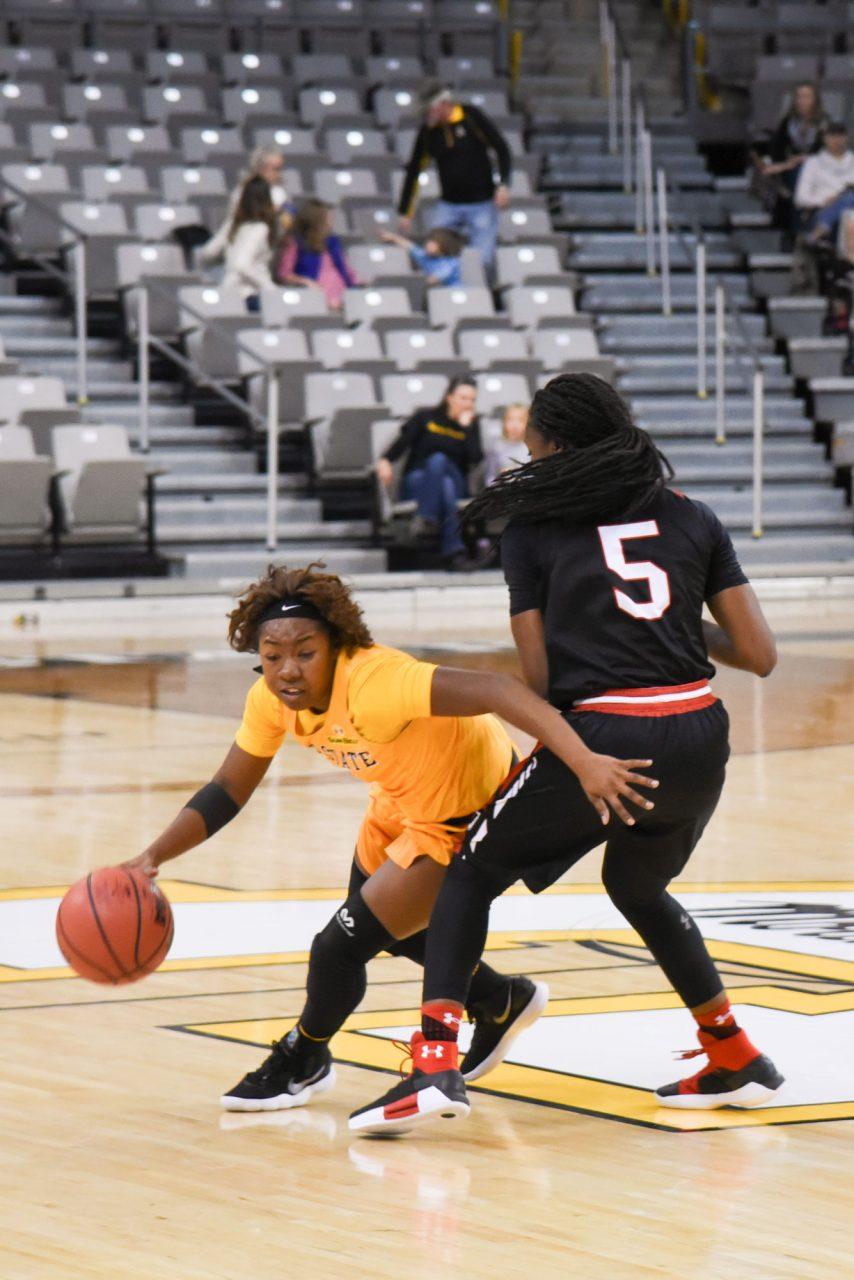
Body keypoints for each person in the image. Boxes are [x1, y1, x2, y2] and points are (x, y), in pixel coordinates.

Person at [351, 373, 784, 1136]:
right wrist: (669, 626)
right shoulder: (694, 517)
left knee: (471, 867)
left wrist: (610, 636)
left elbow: (544, 682)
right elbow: (758, 653)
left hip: (612, 735)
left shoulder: (532, 530)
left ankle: (434, 1063)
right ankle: (733, 1049)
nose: (527, 458)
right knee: (639, 885)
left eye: (531, 447)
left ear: (553, 446)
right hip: (698, 733)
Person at [123, 561, 654, 1112]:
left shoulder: (378, 683)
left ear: (335, 646)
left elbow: (499, 690)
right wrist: (151, 857)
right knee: (386, 928)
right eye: (273, 655)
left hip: (465, 808)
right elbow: (227, 789)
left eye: (305, 652)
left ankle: (303, 1056)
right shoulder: (272, 700)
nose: (288, 670)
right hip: (401, 800)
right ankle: (499, 999)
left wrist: (584, 762)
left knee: (339, 947)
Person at [397, 80, 511, 276]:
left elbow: (502, 149)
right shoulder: (428, 133)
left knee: (481, 261)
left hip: (482, 202)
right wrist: (405, 211)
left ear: (442, 105)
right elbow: (414, 170)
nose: (426, 117)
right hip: (449, 204)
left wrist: (504, 184)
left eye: (429, 110)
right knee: (433, 250)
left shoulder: (471, 117)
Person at [375, 375, 483, 569]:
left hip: (456, 479)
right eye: (463, 398)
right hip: (418, 480)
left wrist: (467, 430)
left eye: (472, 400)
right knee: (443, 481)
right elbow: (403, 442)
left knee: (442, 468)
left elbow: (475, 459)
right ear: (449, 397)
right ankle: (454, 553)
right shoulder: (425, 417)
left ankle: (426, 517)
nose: (468, 403)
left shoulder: (472, 425)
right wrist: (385, 460)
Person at [752, 83, 828, 240]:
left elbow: (826, 152)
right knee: (794, 175)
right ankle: (797, 229)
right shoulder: (788, 123)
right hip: (790, 168)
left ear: (815, 100)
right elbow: (777, 150)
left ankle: (801, 230)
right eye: (799, 97)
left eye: (807, 97)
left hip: (818, 169)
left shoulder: (824, 123)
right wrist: (789, 161)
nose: (802, 101)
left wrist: (804, 159)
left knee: (802, 174)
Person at [196, 175, 278, 307]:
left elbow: (207, 252)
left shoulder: (232, 224)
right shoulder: (261, 228)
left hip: (228, 292)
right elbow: (241, 264)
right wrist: (270, 287)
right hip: (251, 296)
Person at [276, 198, 360, 310]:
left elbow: (346, 270)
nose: (330, 224)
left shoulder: (332, 242)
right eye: (327, 220)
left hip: (342, 297)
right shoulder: (296, 243)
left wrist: (357, 285)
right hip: (314, 298)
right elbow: (284, 274)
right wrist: (306, 282)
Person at [795, 123, 854, 244]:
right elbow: (800, 198)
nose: (837, 140)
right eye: (832, 136)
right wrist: (824, 200)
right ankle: (822, 227)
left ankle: (819, 231)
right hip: (821, 209)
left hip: (851, 212)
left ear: (846, 138)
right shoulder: (813, 163)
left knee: (849, 198)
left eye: (840, 135)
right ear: (824, 138)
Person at [380, 226, 465, 286]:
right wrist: (393, 237)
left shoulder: (451, 263)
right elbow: (410, 246)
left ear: (444, 246)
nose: (428, 244)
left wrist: (409, 281)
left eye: (434, 243)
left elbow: (433, 280)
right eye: (429, 241)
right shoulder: (425, 256)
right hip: (434, 294)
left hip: (451, 294)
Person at [483, 402, 530, 487]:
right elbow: (489, 477)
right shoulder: (496, 447)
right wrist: (500, 479)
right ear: (504, 422)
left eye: (520, 420)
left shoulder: (532, 447)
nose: (514, 425)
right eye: (510, 419)